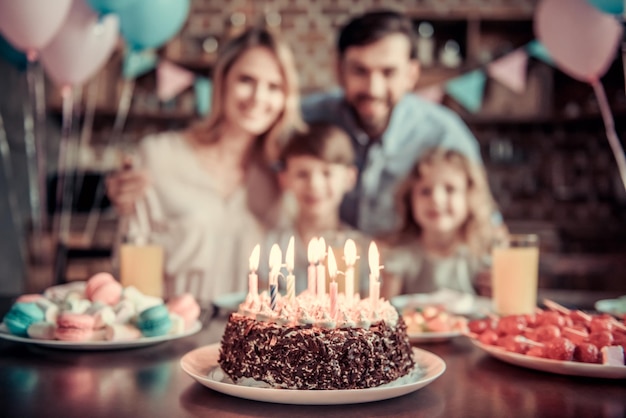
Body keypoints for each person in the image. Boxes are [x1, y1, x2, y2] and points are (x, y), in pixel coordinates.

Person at [105, 27, 305, 303]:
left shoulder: (282, 178)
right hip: (174, 336)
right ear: (222, 82)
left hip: (249, 338)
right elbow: (129, 266)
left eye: (274, 87)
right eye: (246, 80)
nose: (259, 97)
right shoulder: (159, 155)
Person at [302, 9, 483, 237]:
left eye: (388, 72)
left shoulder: (444, 133)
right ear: (339, 71)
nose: (373, 89)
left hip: (406, 269)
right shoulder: (306, 119)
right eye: (360, 71)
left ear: (411, 74)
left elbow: (483, 221)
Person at [259, 122, 370, 295]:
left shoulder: (360, 248)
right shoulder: (272, 246)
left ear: (349, 178)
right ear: (284, 179)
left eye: (327, 173)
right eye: (302, 174)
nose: (314, 185)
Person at [380, 147, 505, 298]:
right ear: (410, 200)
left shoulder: (482, 258)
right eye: (425, 191)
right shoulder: (399, 258)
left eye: (450, 189)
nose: (436, 199)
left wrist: (500, 290)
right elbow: (385, 313)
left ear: (470, 196)